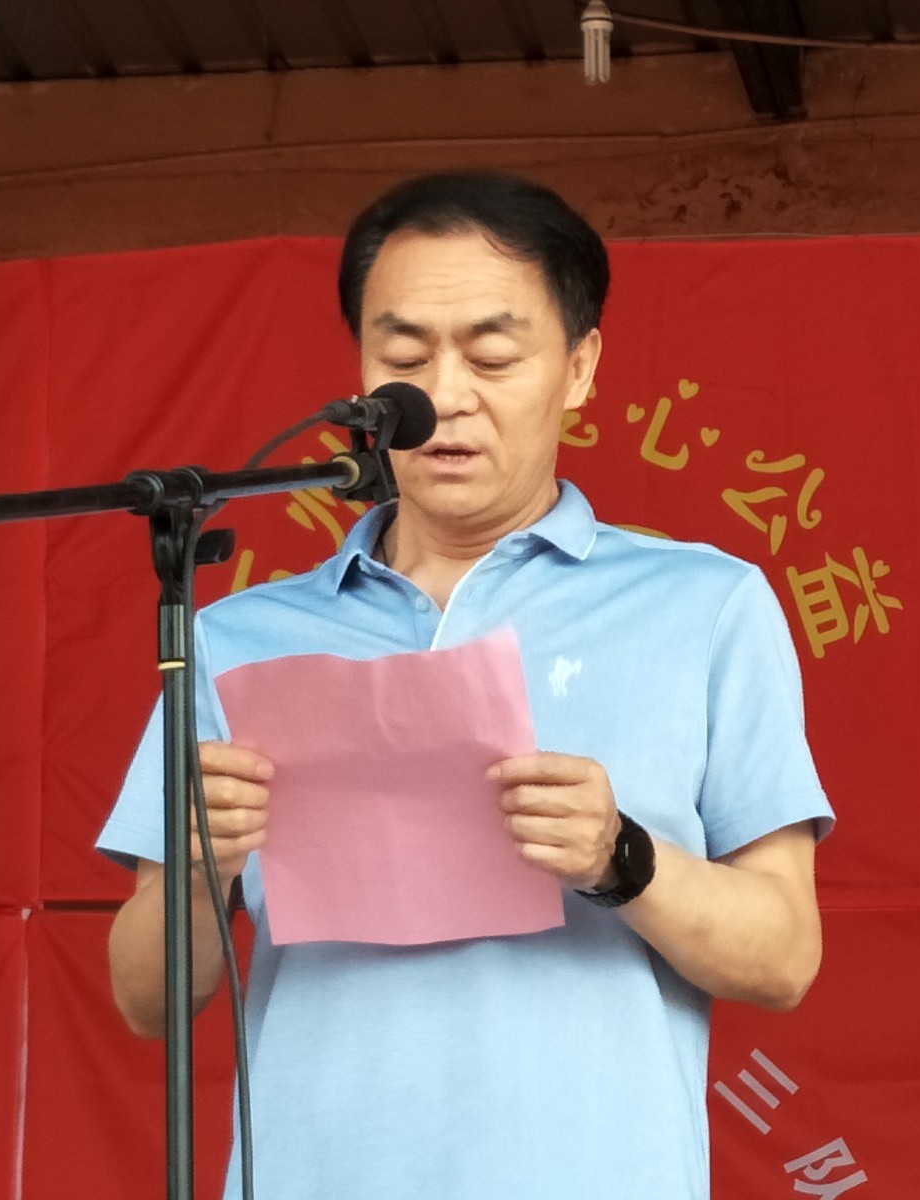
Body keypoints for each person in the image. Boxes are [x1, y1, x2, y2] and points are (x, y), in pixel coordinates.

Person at [98, 171, 832, 1199]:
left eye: (492, 356)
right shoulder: (235, 638)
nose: (442, 396)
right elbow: (146, 1001)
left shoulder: (706, 605)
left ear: (579, 368)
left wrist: (619, 858)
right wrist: (197, 865)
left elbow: (785, 956)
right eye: (403, 358)